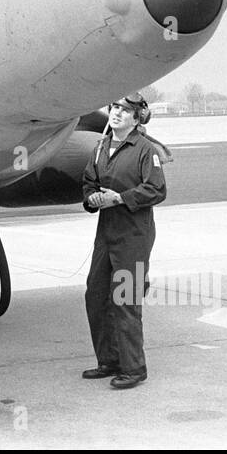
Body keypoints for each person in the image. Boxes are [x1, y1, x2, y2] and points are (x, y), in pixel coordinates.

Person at [80, 93, 167, 389]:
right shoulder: (100, 147)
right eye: (114, 108)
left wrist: (120, 198)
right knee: (96, 294)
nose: (117, 113)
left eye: (125, 110)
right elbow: (89, 181)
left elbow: (156, 189)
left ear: (136, 118)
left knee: (125, 299)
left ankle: (134, 368)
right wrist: (92, 198)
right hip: (106, 232)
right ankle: (109, 361)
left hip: (134, 234)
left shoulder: (145, 150)